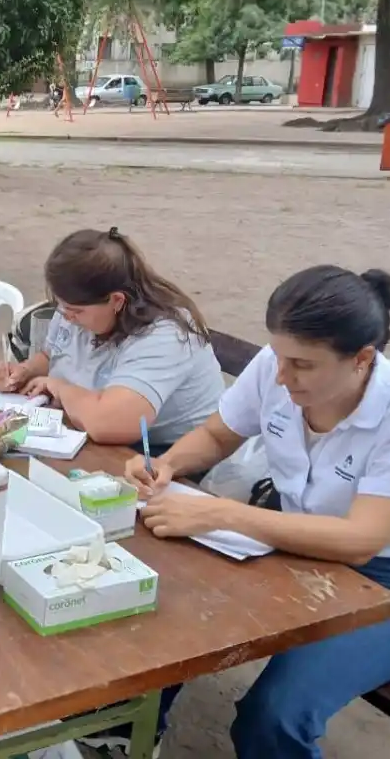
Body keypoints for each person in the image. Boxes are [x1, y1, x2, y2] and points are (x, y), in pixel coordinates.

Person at [116, 264, 390, 759]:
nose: (281, 376)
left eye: (302, 365)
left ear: (362, 359)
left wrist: (223, 515)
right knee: (168, 621)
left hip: (379, 582)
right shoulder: (276, 364)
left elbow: (361, 539)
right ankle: (127, 735)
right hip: (289, 543)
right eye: (279, 357)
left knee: (276, 716)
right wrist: (168, 466)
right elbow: (220, 434)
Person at [0, 227, 223, 449]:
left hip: (172, 456)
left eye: (75, 310)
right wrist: (25, 371)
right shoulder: (79, 307)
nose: (66, 316)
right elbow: (54, 355)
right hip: (94, 438)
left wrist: (59, 388)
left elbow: (111, 424)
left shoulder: (165, 336)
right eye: (60, 306)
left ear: (117, 301)